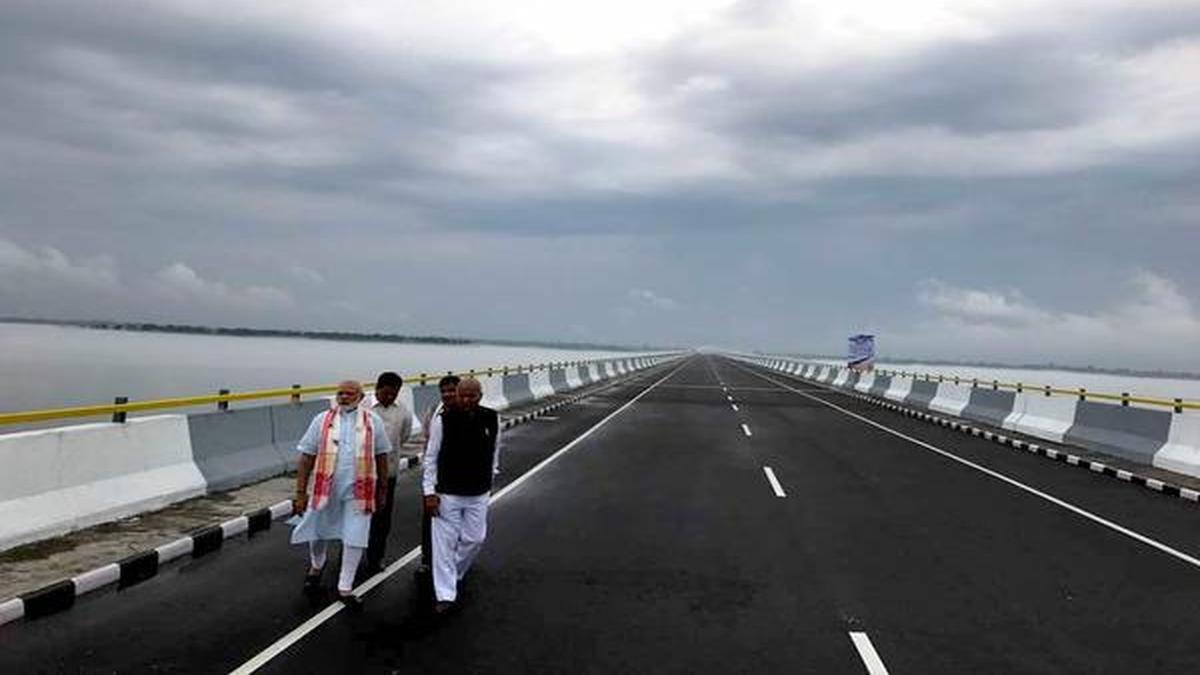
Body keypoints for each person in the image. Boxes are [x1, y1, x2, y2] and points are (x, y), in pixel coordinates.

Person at [291, 380, 391, 605]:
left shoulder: (372, 422)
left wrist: (383, 489)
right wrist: (300, 492)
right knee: (316, 533)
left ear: (360, 396)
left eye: (349, 393)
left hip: (359, 491)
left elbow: (382, 456)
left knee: (355, 537)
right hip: (325, 489)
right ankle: (316, 566)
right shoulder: (322, 420)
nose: (343, 397)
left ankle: (345, 587)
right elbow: (306, 456)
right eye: (340, 393)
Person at [422, 377, 501, 613]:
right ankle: (445, 594)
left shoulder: (492, 418)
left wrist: (491, 477)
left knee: (474, 539)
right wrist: (429, 492)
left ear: (480, 396)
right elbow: (431, 457)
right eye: (462, 395)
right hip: (448, 492)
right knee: (444, 544)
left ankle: (452, 573)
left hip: (478, 492)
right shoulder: (443, 420)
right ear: (457, 395)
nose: (466, 400)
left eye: (472, 396)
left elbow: (495, 450)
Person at [363, 371, 413, 576]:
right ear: (377, 389)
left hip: (387, 475)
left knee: (382, 519)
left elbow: (404, 437)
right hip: (363, 474)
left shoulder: (403, 412)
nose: (389, 397)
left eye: (393, 394)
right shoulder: (364, 408)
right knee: (357, 517)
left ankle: (376, 558)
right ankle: (350, 557)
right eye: (385, 393)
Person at [419, 374, 461, 574]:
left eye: (452, 390)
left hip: (461, 479)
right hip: (436, 476)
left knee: (457, 522)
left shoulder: (470, 414)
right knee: (430, 520)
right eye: (444, 391)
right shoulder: (434, 412)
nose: (447, 394)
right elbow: (428, 443)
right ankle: (428, 560)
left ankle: (454, 558)